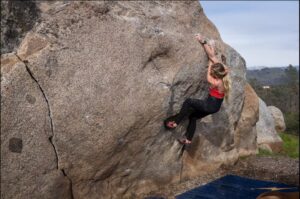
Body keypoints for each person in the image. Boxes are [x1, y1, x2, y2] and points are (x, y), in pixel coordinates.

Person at [164, 34, 231, 145]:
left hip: (209, 105)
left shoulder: (216, 82)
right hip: (215, 107)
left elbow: (208, 73)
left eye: (214, 73)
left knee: (189, 101)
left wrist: (210, 63)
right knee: (193, 117)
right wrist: (203, 41)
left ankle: (175, 122)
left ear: (216, 75)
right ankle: (188, 139)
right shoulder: (225, 71)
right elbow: (212, 55)